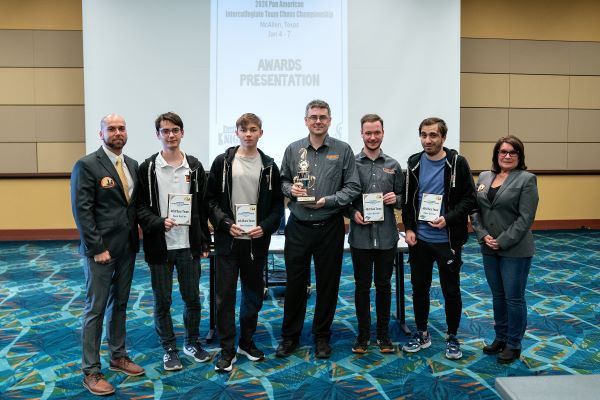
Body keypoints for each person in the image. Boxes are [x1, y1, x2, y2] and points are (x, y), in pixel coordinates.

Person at [277, 99, 361, 359]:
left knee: (328, 284)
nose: (318, 121)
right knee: (295, 284)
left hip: (330, 226)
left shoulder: (343, 150)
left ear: (329, 120)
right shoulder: (293, 149)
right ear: (305, 120)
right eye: (313, 116)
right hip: (299, 226)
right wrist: (291, 189)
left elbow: (353, 187)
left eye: (323, 117)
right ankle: (290, 337)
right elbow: (282, 180)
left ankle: (322, 337)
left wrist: (330, 200)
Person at [71, 114, 145, 396]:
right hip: (100, 250)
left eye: (121, 128)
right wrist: (96, 248)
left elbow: (132, 207)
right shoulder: (87, 165)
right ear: (101, 134)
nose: (117, 132)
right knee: (96, 308)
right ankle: (90, 371)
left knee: (121, 304)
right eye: (111, 129)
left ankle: (118, 356)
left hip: (126, 248)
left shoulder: (132, 165)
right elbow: (82, 211)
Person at [206, 113, 284, 372]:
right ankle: (227, 349)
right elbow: (210, 201)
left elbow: (276, 207)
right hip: (229, 242)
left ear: (261, 132)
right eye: (243, 130)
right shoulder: (223, 163)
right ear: (236, 133)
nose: (248, 134)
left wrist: (266, 226)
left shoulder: (270, 166)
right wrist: (226, 223)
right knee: (225, 297)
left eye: (253, 129)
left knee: (253, 296)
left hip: (255, 243)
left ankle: (246, 342)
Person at [137, 112, 211, 371]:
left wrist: (204, 242)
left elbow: (201, 207)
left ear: (182, 133)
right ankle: (169, 348)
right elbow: (140, 208)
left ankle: (192, 343)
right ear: (158, 135)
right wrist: (160, 222)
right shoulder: (147, 168)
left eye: (175, 130)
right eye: (165, 131)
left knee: (192, 298)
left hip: (188, 246)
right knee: (163, 301)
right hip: (160, 246)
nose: (170, 135)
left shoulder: (194, 166)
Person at [401, 117, 475, 360]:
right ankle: (422, 332)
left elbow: (469, 199)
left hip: (448, 240)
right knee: (419, 289)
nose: (427, 140)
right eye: (423, 135)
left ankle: (452, 337)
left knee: (450, 291)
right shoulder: (413, 162)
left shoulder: (457, 163)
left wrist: (448, 218)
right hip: (420, 240)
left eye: (433, 135)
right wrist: (409, 228)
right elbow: (409, 201)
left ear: (443, 137)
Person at [470, 135, 538, 364]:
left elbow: (525, 218)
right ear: (496, 154)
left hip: (515, 249)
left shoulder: (527, 180)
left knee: (514, 298)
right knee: (498, 296)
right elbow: (475, 210)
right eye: (503, 152)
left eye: (512, 152)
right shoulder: (485, 176)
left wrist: (503, 240)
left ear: (520, 156)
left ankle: (514, 344)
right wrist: (483, 235)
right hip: (488, 247)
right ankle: (500, 337)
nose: (507, 156)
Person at [347, 114, 404, 354]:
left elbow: (404, 200)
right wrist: (352, 213)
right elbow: (343, 198)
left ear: (383, 133)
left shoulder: (393, 165)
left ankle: (383, 335)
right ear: (361, 133)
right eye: (368, 133)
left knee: (383, 286)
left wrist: (396, 198)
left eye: (376, 132)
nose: (372, 137)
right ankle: (362, 335)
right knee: (361, 287)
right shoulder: (351, 164)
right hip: (360, 236)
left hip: (386, 237)